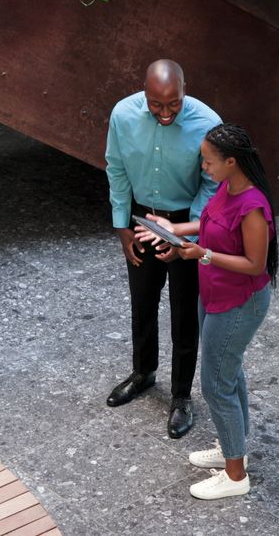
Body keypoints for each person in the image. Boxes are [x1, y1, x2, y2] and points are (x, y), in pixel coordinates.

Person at [136, 123, 278, 500]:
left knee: (216, 385)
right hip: (213, 294)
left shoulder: (253, 207)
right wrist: (173, 233)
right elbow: (210, 224)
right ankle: (235, 450)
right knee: (229, 374)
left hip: (239, 303)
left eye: (210, 161)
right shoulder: (226, 187)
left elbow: (255, 265)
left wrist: (203, 254)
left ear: (232, 162)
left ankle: (234, 476)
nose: (204, 167)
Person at [104, 60, 221, 439]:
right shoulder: (123, 114)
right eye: (157, 105)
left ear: (185, 89)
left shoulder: (206, 122)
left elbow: (212, 183)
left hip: (185, 220)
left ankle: (182, 396)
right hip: (141, 220)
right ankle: (143, 373)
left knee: (185, 313)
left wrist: (187, 238)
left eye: (173, 104)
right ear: (145, 93)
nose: (165, 112)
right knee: (142, 302)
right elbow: (116, 168)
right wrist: (122, 224)